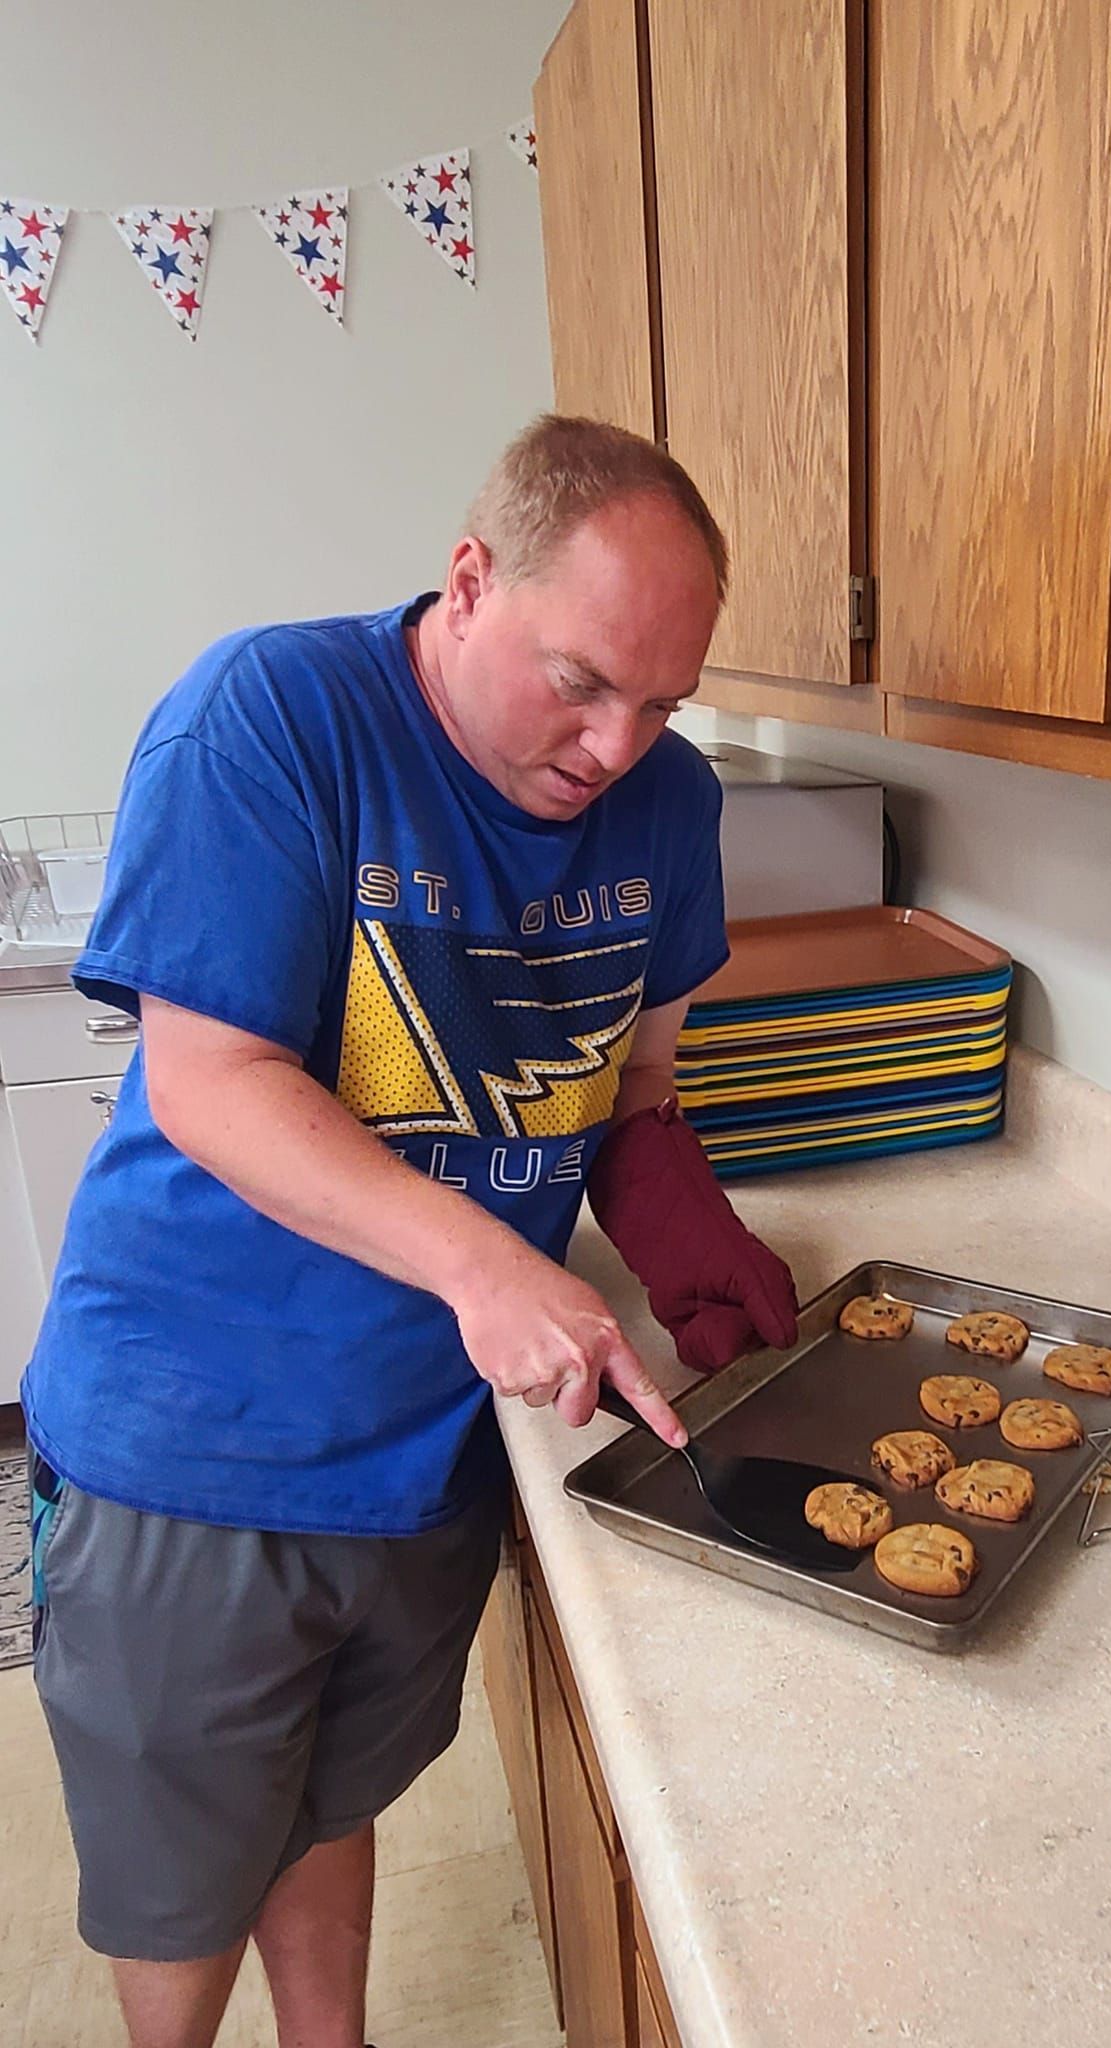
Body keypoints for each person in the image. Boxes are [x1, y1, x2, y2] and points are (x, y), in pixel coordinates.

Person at [22, 415, 799, 2048]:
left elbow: (632, 1087)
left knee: (328, 1797)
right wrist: (480, 1260)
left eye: (662, 702)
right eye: (581, 682)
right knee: (184, 1875)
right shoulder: (275, 720)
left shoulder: (665, 807)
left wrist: (692, 1248)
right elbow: (212, 1077)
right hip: (203, 1434)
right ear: (468, 582)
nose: (615, 747)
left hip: (430, 1439)